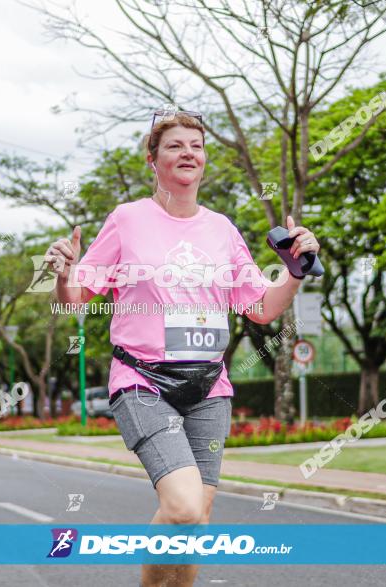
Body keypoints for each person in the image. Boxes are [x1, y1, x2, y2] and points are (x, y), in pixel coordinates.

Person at [48, 110, 319, 587]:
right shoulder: (127, 220)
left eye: (196, 144)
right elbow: (75, 298)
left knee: (199, 518)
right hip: (142, 381)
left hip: (210, 386)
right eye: (174, 145)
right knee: (183, 506)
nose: (188, 152)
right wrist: (62, 275)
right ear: (153, 161)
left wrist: (294, 272)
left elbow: (260, 307)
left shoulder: (221, 229)